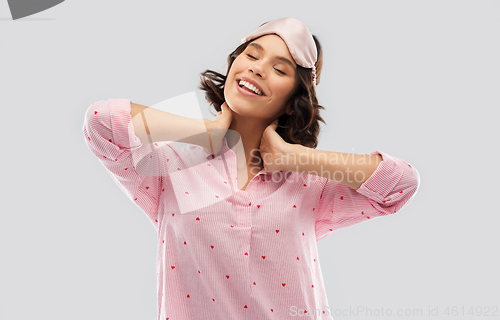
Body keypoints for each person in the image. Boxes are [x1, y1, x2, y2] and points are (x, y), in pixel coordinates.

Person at [82, 17, 420, 320]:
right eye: (252, 55)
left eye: (280, 69)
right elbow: (102, 122)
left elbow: (400, 184)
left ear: (294, 99)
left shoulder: (309, 186)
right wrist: (206, 133)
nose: (257, 68)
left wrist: (296, 158)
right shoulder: (172, 166)